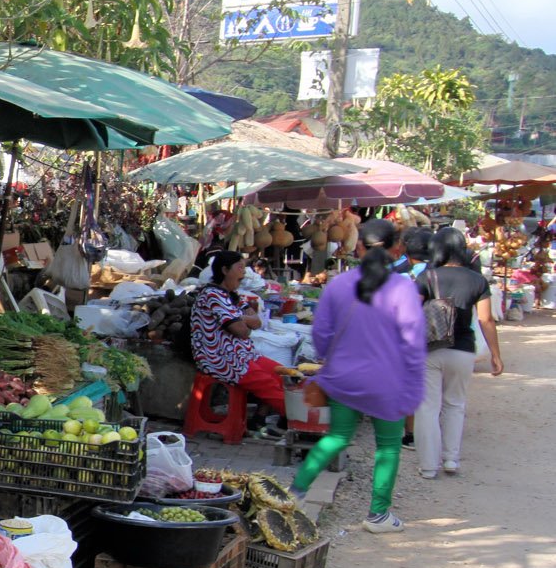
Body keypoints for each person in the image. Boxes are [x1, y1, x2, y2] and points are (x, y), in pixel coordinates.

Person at [290, 246, 425, 533]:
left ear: (361, 249)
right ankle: (378, 514)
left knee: (336, 437)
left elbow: (321, 332)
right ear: (394, 254)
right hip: (388, 380)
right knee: (388, 448)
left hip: (344, 377)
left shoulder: (340, 283)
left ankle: (296, 492)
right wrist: (415, 379)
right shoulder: (402, 287)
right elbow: (412, 339)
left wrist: (329, 361)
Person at [414, 228, 503, 479]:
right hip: (463, 350)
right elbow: (486, 320)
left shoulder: (427, 276)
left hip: (429, 350)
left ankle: (429, 466)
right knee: (455, 405)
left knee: (428, 408)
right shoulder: (477, 280)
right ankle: (451, 460)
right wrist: (496, 354)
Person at [189, 251, 287, 421]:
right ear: (225, 270)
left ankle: (260, 419)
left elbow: (257, 322)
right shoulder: (212, 295)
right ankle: (302, 419)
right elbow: (242, 331)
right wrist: (244, 323)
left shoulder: (232, 296)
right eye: (240, 267)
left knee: (282, 374)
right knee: (268, 384)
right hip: (220, 358)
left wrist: (241, 319)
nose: (244, 272)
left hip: (243, 354)